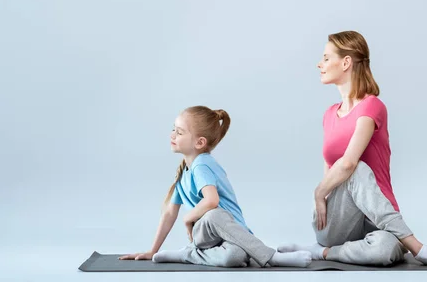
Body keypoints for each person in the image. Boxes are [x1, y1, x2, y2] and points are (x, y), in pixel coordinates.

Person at [278, 31, 427, 267]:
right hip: (336, 220)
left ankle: (324, 252)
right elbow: (336, 168)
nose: (320, 64)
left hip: (380, 218)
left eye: (326, 58)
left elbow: (347, 163)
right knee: (355, 169)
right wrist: (320, 194)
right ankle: (421, 250)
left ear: (346, 62)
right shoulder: (329, 115)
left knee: (383, 250)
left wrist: (319, 191)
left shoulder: (372, 107)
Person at [119, 105, 312, 268]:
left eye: (179, 132)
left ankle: (188, 255)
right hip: (207, 231)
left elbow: (211, 200)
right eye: (173, 129)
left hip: (229, 237)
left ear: (200, 142)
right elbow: (173, 213)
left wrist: (188, 217)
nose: (172, 135)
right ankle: (273, 257)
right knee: (213, 213)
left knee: (234, 257)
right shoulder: (187, 172)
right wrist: (152, 250)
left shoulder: (203, 164)